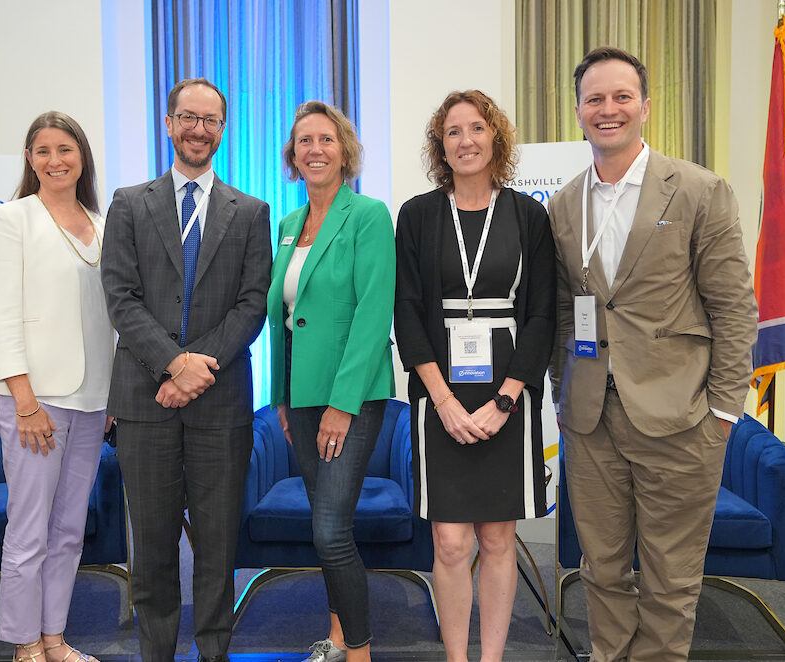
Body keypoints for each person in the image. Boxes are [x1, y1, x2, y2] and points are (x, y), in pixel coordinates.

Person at [548, 47, 757, 662]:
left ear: (644, 105)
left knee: (670, 580)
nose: (607, 110)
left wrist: (723, 410)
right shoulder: (563, 205)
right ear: (579, 109)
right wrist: (566, 389)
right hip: (589, 421)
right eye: (594, 99)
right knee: (602, 570)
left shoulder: (697, 190)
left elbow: (734, 308)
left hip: (681, 416)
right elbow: (568, 311)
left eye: (621, 97)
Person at [101, 77, 271, 662]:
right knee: (150, 546)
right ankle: (156, 654)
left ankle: (214, 652)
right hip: (144, 401)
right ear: (169, 124)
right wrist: (174, 364)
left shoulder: (251, 212)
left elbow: (254, 302)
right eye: (188, 118)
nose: (199, 129)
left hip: (221, 404)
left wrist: (201, 368)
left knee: (219, 544)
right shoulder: (129, 204)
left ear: (223, 129)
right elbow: (120, 296)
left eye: (211, 120)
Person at [394, 90, 555, 662]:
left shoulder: (528, 214)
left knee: (496, 537)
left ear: (496, 138)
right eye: (453, 131)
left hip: (507, 393)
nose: (466, 141)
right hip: (441, 394)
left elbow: (542, 315)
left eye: (477, 128)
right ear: (441, 144)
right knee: (450, 539)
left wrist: (507, 400)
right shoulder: (416, 215)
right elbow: (406, 311)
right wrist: (442, 400)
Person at [0, 111, 114, 662]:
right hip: (34, 400)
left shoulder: (101, 222)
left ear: (82, 157)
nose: (55, 160)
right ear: (30, 159)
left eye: (66, 149)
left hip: (92, 401)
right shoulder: (14, 219)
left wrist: (111, 400)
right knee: (29, 531)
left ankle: (55, 639)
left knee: (68, 531)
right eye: (43, 150)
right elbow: (0, 314)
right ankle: (24, 643)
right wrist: (24, 400)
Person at [267, 100, 396, 662]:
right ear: (293, 156)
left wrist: (342, 405)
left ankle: (361, 650)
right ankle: (338, 637)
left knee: (330, 530)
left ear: (345, 151)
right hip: (299, 396)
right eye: (304, 142)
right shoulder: (289, 223)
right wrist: (279, 396)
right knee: (326, 526)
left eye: (325, 139)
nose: (314, 150)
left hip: (351, 397)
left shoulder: (367, 215)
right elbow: (285, 319)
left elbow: (372, 314)